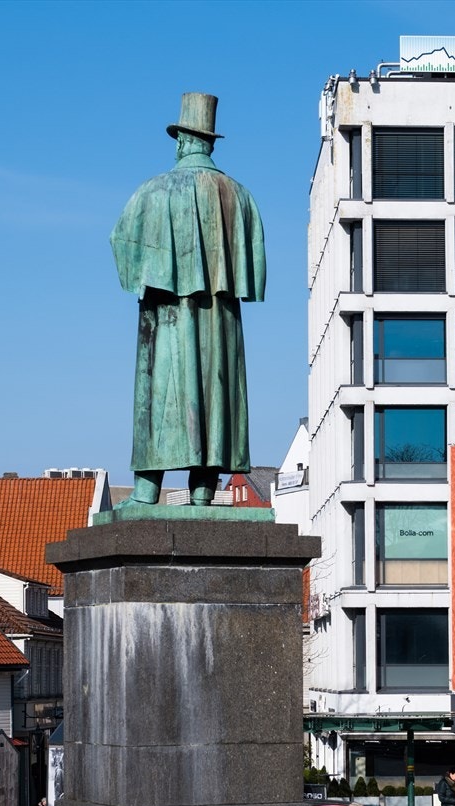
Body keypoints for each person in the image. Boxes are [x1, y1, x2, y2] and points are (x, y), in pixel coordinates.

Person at [110, 92, 266, 507]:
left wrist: (157, 273)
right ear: (210, 141)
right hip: (221, 319)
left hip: (167, 317)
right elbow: (254, 263)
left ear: (181, 140)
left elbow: (121, 241)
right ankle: (202, 492)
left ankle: (146, 491)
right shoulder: (241, 197)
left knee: (160, 395)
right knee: (217, 395)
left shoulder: (153, 191)